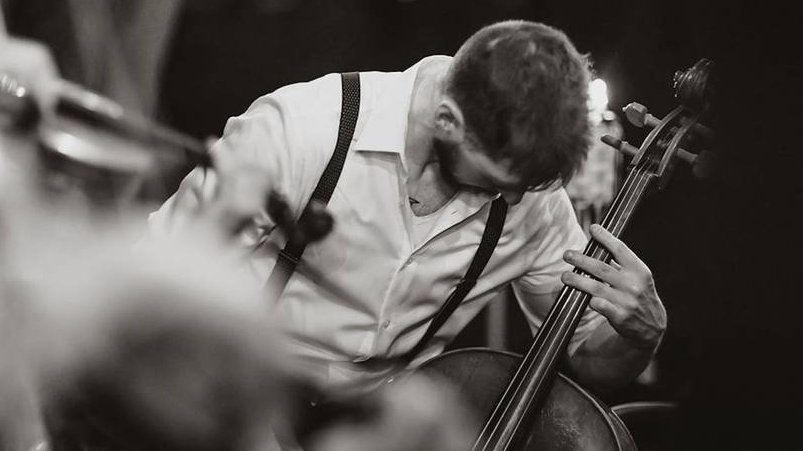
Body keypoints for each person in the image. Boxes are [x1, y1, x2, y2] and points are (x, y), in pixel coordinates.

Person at [150, 19, 667, 394]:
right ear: (447, 122)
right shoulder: (303, 130)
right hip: (226, 395)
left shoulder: (533, 199)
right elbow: (153, 283)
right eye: (498, 184)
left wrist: (641, 334)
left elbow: (584, 358)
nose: (512, 201)